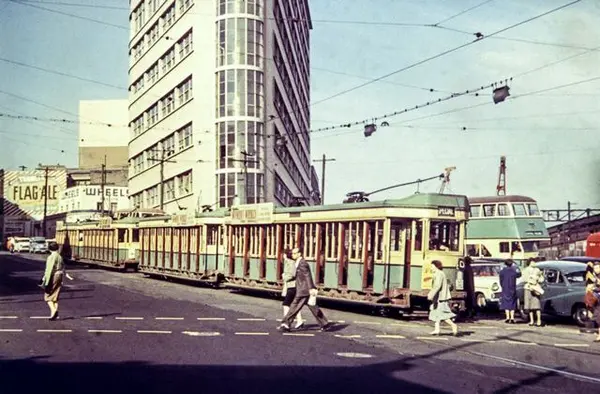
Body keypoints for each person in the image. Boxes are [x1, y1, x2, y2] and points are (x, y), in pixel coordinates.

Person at [278, 247, 333, 332]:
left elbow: (307, 276)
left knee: (294, 306)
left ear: (299, 254)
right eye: (292, 253)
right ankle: (325, 324)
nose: (293, 255)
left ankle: (286, 324)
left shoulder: (302, 263)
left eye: (294, 253)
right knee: (313, 306)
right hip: (304, 288)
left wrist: (311, 288)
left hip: (303, 289)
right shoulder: (298, 262)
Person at [41, 242, 73, 320]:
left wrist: (44, 278)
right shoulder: (59, 256)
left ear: (49, 249)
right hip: (60, 275)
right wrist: (66, 275)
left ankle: (54, 310)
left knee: (47, 296)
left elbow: (49, 269)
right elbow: (63, 266)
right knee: (55, 295)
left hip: (53, 276)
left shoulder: (51, 257)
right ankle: (53, 315)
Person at [427, 260, 458, 336]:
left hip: (440, 298)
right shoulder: (438, 273)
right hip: (438, 297)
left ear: (435, 266)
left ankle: (453, 325)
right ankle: (437, 330)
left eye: (432, 266)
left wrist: (431, 294)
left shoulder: (439, 274)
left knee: (442, 314)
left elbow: (437, 286)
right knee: (436, 313)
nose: (431, 268)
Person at [281, 248, 305, 329]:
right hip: (292, 286)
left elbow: (292, 274)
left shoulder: (290, 263)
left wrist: (284, 277)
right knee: (294, 305)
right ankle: (299, 321)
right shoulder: (288, 262)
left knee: (286, 304)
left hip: (292, 286)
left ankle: (285, 322)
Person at [522, 258, 544, 327]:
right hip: (528, 288)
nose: (534, 263)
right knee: (529, 306)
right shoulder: (525, 270)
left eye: (534, 261)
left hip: (535, 288)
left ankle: (538, 321)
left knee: (537, 306)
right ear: (530, 262)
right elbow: (524, 279)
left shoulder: (537, 270)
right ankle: (531, 321)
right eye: (533, 262)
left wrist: (538, 277)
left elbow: (541, 279)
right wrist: (532, 278)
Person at [499, 259, 521, 324]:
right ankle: (512, 318)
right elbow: (519, 274)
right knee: (512, 303)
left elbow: (500, 280)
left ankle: (507, 317)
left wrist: (502, 286)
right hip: (512, 288)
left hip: (505, 288)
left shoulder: (502, 271)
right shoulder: (514, 271)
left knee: (506, 302)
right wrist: (516, 266)